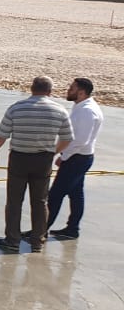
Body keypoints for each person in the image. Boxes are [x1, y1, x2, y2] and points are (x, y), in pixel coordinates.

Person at [0, 75, 72, 253]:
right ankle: (37, 241)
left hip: (19, 158)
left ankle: (12, 240)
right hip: (43, 160)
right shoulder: (60, 110)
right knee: (40, 201)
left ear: (32, 89)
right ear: (50, 91)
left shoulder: (17, 108)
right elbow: (67, 138)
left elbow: (2, 134)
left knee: (14, 201)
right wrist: (53, 152)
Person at [29, 77, 103, 242]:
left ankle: (40, 231)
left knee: (55, 195)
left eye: (72, 88)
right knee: (76, 194)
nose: (68, 90)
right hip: (79, 157)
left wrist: (63, 155)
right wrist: (64, 155)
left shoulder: (87, 111)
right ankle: (72, 229)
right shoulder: (82, 106)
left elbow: (80, 140)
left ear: (81, 92)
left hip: (77, 158)